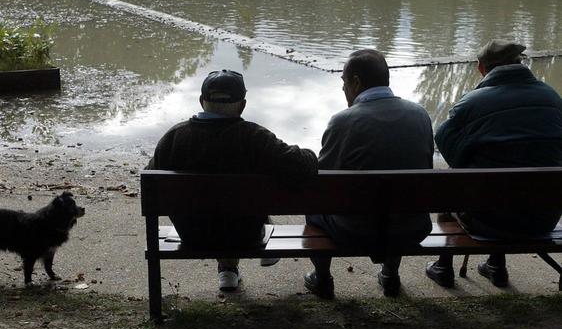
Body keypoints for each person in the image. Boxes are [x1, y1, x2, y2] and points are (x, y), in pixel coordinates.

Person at [147, 70, 317, 291]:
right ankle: (247, 253)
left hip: (192, 235)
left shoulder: (174, 137)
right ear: (242, 105)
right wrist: (310, 154)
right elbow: (301, 166)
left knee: (219, 207)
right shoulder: (255, 137)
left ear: (201, 101)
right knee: (244, 204)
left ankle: (227, 270)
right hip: (246, 236)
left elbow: (150, 183)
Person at [426, 39, 562, 288]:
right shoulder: (552, 98)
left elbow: (445, 142)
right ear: (521, 64)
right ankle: (495, 266)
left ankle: (443, 267)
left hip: (489, 221)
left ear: (481, 68)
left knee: (454, 187)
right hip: (543, 218)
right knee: (509, 176)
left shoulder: (472, 102)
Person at [304, 49, 434, 299]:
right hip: (410, 227)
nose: (343, 89)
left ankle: (322, 279)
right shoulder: (420, 115)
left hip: (355, 231)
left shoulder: (344, 121)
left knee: (314, 206)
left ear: (355, 82)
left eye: (343, 82)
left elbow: (322, 181)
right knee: (398, 201)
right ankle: (389, 274)